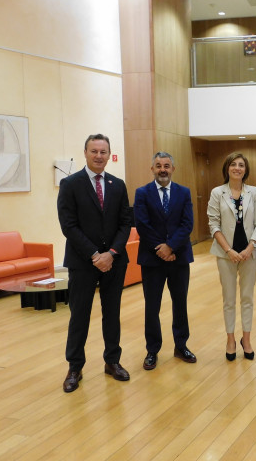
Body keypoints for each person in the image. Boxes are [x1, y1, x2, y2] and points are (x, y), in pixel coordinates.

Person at [57, 133, 132, 393]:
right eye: (94, 151)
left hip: (114, 261)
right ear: (85, 153)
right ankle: (74, 367)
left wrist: (110, 253)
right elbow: (69, 225)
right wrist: (94, 255)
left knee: (112, 314)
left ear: (109, 154)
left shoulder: (118, 184)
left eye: (103, 152)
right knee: (80, 316)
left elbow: (125, 223)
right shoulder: (70, 184)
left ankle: (112, 361)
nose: (99, 156)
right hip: (83, 262)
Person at [134, 152, 196, 370]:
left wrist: (171, 247)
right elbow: (142, 225)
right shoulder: (142, 193)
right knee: (152, 307)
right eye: (158, 165)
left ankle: (181, 346)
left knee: (180, 304)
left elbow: (187, 224)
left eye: (167, 166)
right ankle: (152, 350)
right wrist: (161, 249)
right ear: (152, 169)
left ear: (173, 169)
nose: (163, 169)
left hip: (178, 258)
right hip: (152, 260)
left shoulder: (183, 192)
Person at [207, 153, 256, 361]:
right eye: (233, 164)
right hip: (226, 255)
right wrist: (228, 250)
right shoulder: (217, 192)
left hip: (250, 253)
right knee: (229, 299)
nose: (237, 168)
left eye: (241, 165)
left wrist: (250, 247)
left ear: (245, 170)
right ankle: (230, 339)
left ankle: (246, 339)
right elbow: (213, 224)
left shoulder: (254, 192)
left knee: (247, 298)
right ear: (227, 168)